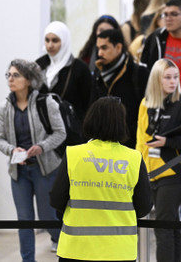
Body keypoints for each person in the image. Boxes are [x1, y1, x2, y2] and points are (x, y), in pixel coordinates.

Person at [49, 96, 152, 262]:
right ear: (121, 124)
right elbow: (144, 207)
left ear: (91, 120)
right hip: (119, 251)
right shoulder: (133, 158)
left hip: (76, 249)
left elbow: (56, 199)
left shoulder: (73, 154)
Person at [0, 59, 65, 261]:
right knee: (24, 220)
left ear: (29, 79)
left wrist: (41, 147)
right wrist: (11, 149)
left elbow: (61, 133)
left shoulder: (46, 103)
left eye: (15, 75)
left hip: (44, 170)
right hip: (19, 172)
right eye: (8, 75)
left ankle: (69, 249)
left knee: (47, 217)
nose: (10, 79)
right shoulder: (5, 107)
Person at [136, 59, 181, 262]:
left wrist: (168, 142)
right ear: (157, 79)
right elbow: (140, 139)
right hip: (150, 171)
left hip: (173, 172)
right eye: (167, 77)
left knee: (163, 226)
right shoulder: (146, 103)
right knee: (170, 223)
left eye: (175, 77)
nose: (173, 81)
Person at [90, 29, 148, 149]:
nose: (100, 53)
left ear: (118, 47)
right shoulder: (98, 74)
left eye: (104, 48)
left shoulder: (139, 73)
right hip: (103, 146)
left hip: (131, 146)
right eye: (98, 48)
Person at [36, 21, 92, 121]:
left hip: (71, 129)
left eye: (55, 40)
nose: (50, 45)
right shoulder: (39, 65)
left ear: (64, 41)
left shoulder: (79, 68)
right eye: (47, 40)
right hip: (42, 127)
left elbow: (88, 103)